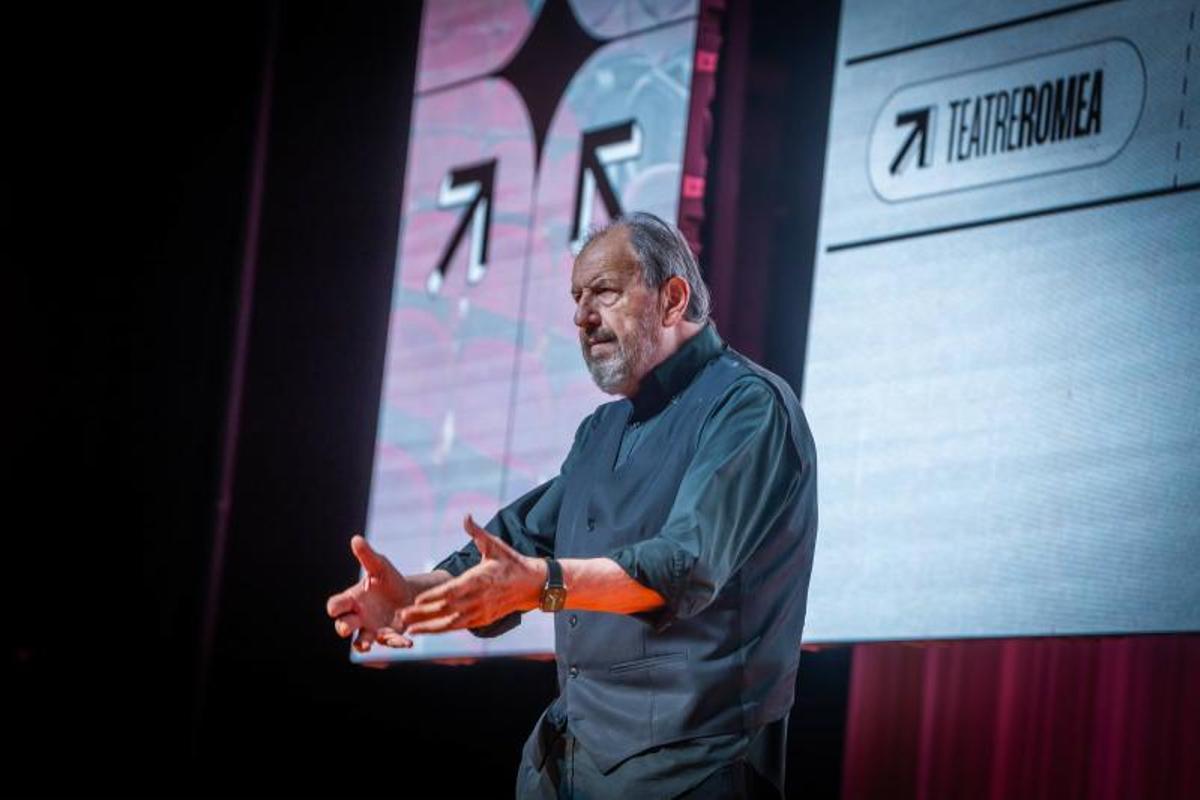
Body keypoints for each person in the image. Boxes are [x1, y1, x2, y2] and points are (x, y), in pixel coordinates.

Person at [326, 211, 818, 798]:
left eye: (605, 292)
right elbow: (519, 544)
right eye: (577, 298)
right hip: (570, 767)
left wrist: (543, 586)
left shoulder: (748, 407)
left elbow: (682, 566)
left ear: (672, 298)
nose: (583, 317)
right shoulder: (601, 430)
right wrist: (410, 594)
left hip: (690, 773)